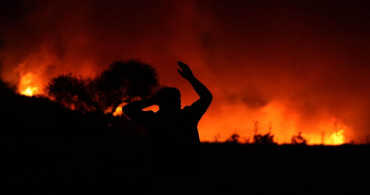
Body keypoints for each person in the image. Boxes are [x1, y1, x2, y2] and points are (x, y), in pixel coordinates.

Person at [122, 61, 212, 146]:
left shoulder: (152, 120)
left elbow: (127, 109)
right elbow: (206, 97)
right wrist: (191, 78)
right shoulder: (187, 116)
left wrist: (153, 100)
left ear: (159, 102)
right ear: (179, 102)